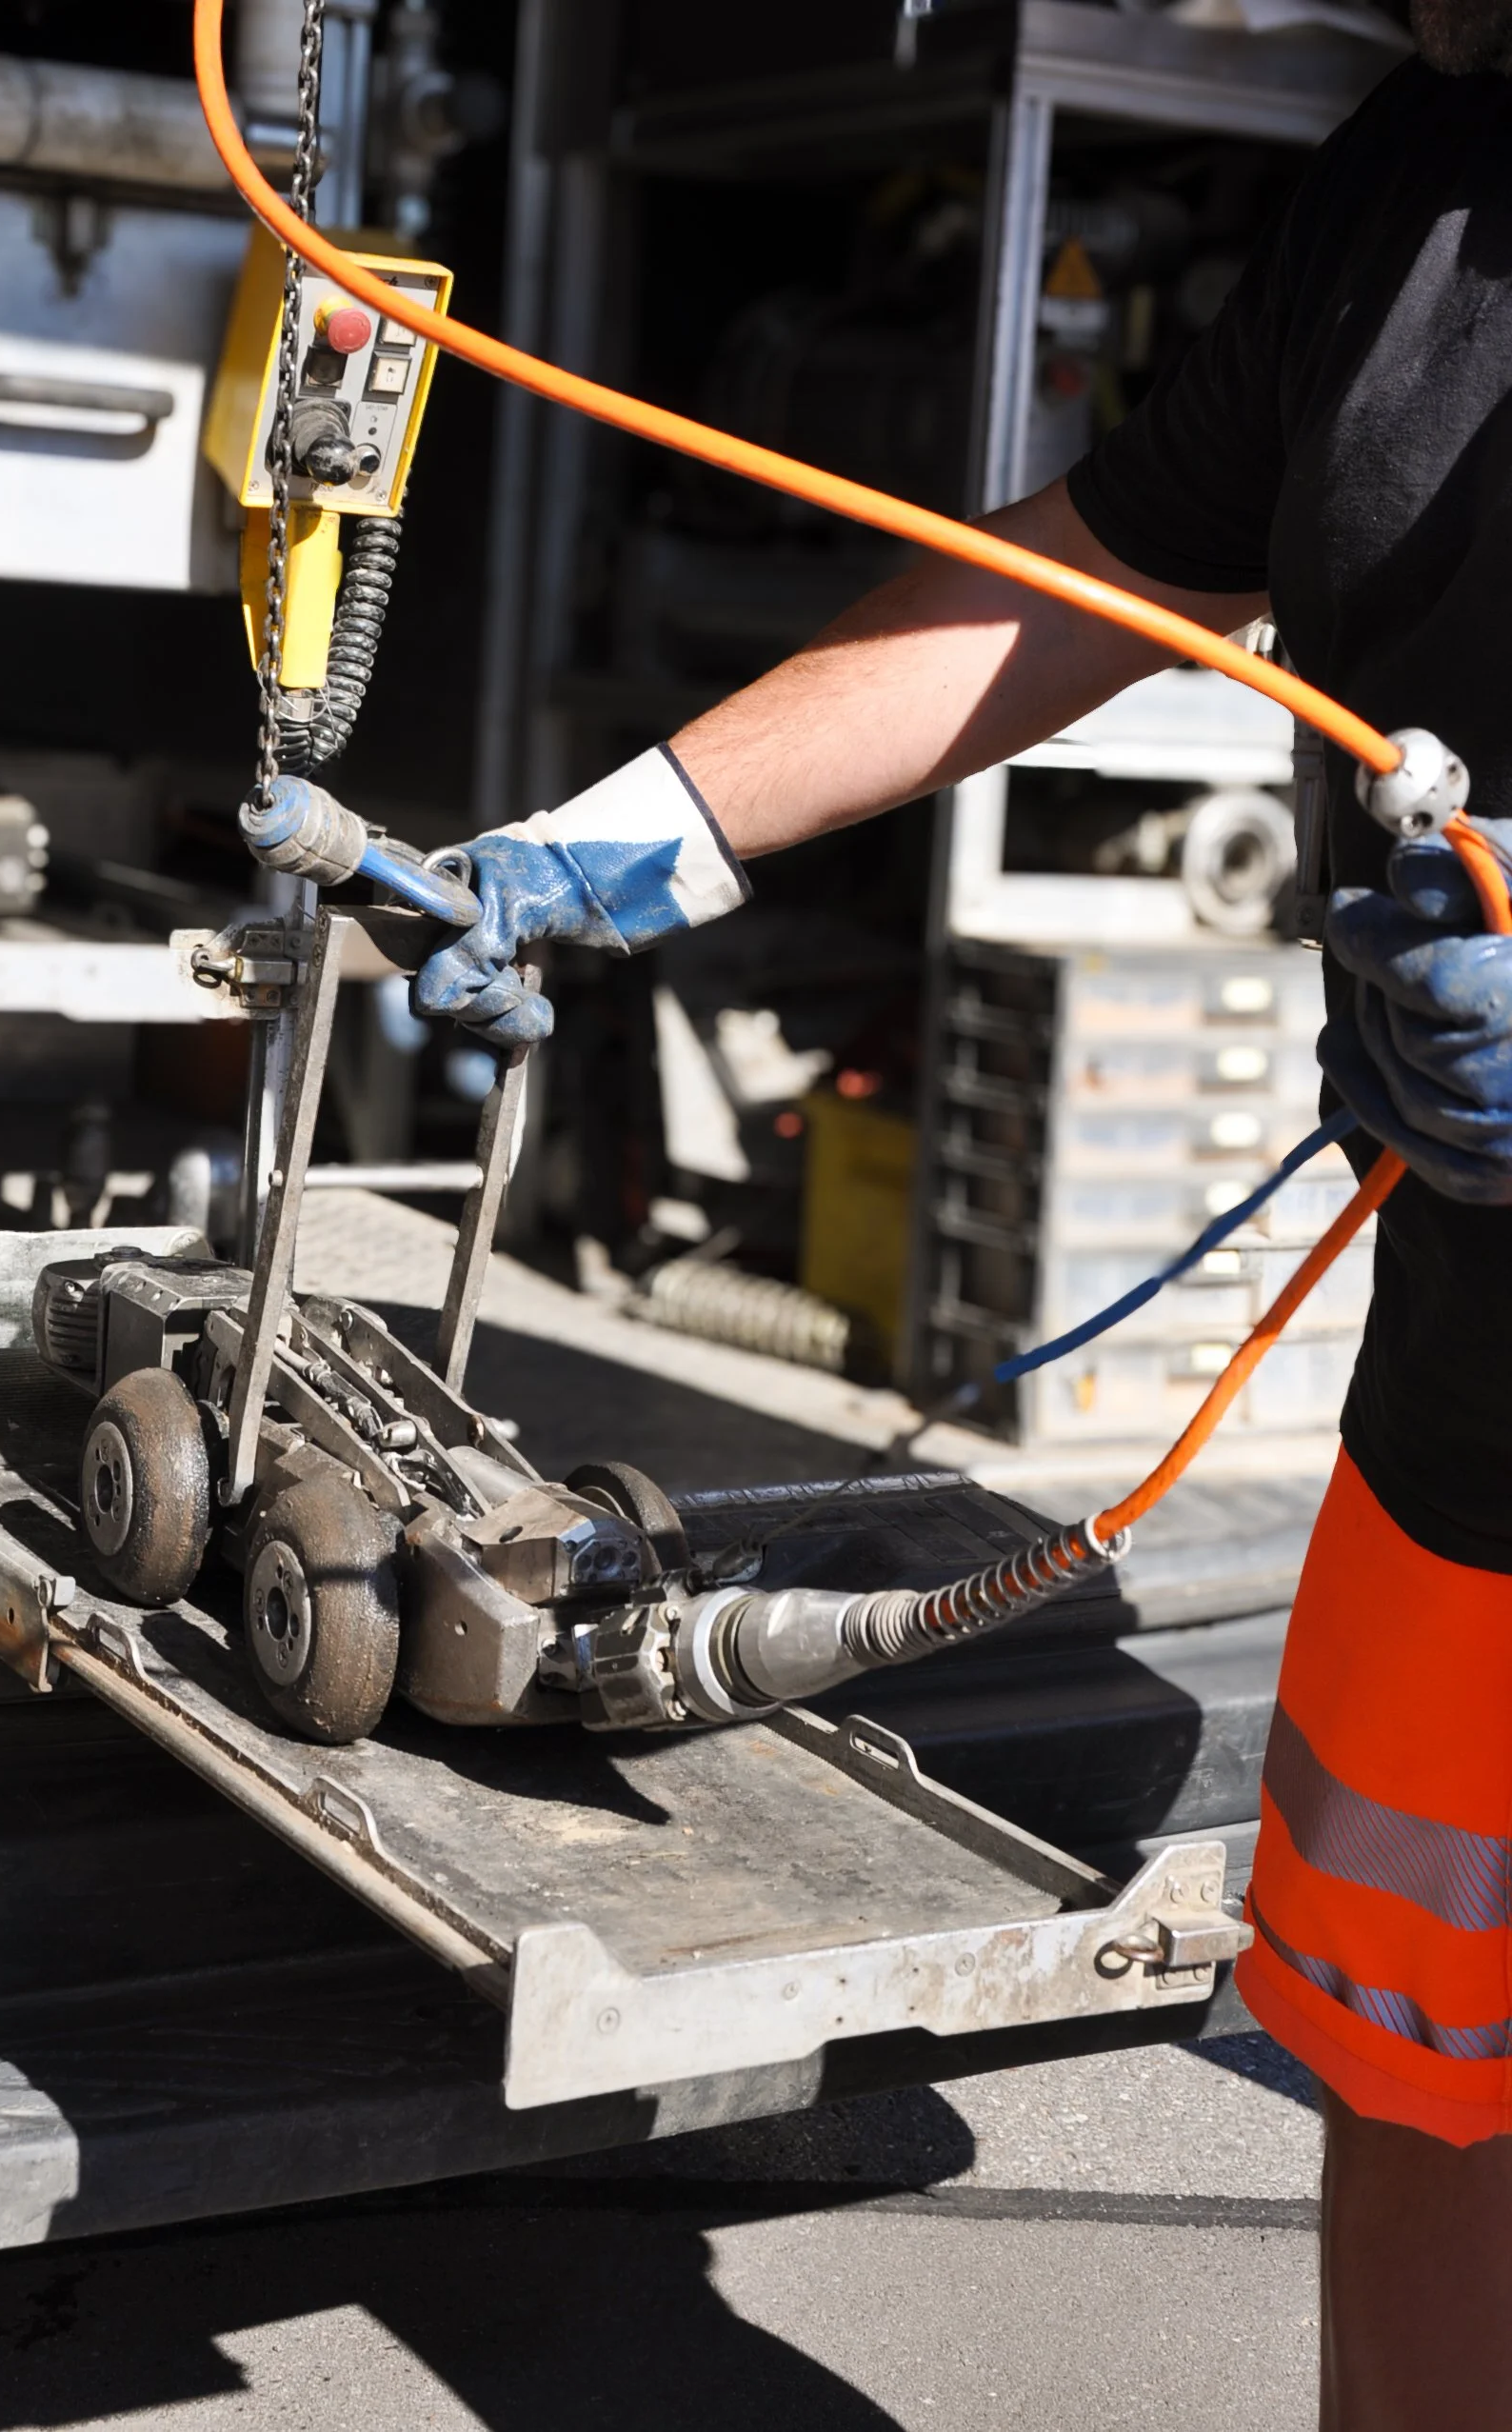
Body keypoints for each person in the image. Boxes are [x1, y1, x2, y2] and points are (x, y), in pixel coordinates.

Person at [413, 22, 1512, 2429]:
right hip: (1474, 1432)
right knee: (1433, 2077)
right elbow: (1118, 559)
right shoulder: (1428, 169)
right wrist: (643, 828)